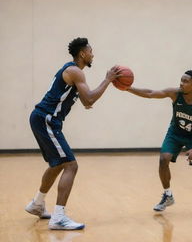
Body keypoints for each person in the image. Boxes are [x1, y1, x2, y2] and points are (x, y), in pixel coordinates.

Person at [25, 37, 120, 230]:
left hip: (44, 119)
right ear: (83, 53)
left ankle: (37, 203)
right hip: (47, 119)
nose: (93, 54)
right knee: (71, 166)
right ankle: (58, 217)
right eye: (91, 51)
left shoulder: (73, 71)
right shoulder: (75, 71)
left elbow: (86, 102)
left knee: (58, 164)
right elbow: (90, 99)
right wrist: (108, 80)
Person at [126, 70, 192, 219]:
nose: (181, 83)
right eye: (181, 80)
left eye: (185, 81)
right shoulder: (175, 93)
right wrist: (128, 88)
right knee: (163, 159)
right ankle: (168, 195)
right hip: (176, 133)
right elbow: (151, 93)